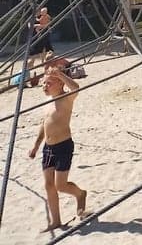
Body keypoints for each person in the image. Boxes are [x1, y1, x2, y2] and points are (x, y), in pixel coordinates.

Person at [28, 66, 87, 231]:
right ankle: (56, 221)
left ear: (60, 84)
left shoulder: (66, 98)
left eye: (49, 83)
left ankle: (80, 194)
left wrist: (60, 74)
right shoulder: (48, 103)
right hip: (48, 148)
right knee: (48, 185)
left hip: (63, 146)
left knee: (60, 185)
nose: (44, 87)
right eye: (43, 84)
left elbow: (76, 87)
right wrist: (36, 145)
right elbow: (44, 124)